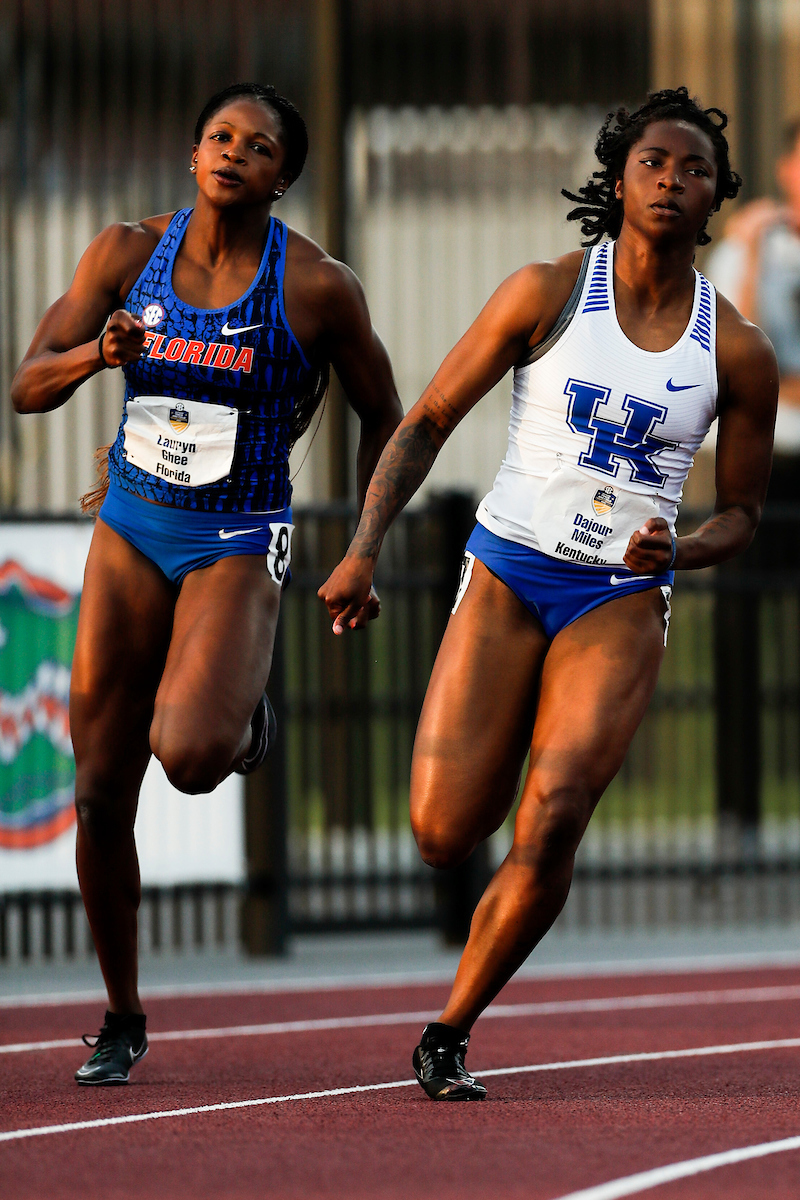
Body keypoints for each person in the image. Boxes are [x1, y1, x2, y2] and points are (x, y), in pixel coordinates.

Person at [318, 87, 778, 1101]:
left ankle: (449, 1028)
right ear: (618, 177)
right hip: (510, 567)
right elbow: (429, 416)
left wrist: (681, 552)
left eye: (692, 169)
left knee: (556, 811)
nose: (670, 180)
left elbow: (741, 513)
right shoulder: (544, 292)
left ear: (714, 198)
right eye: (652, 162)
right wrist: (361, 548)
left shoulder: (736, 349)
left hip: (615, 597)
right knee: (442, 834)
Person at [11, 82, 403, 1085]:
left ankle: (241, 724)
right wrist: (98, 355)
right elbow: (26, 381)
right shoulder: (124, 254)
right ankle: (121, 1014)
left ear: (284, 175)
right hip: (132, 528)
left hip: (234, 535)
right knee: (99, 794)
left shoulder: (316, 288)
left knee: (186, 755)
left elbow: (385, 416)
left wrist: (363, 546)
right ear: (192, 156)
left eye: (258, 146)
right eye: (219, 138)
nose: (233, 154)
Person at [706, 118, 800, 497]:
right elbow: (733, 360)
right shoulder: (745, 247)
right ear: (785, 168)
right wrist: (752, 252)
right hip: (763, 453)